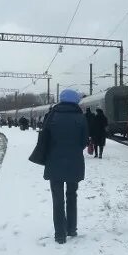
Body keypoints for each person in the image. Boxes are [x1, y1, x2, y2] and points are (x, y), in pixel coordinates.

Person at [43, 89, 88, 244]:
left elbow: (44, 139)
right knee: (72, 195)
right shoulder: (80, 117)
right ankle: (71, 228)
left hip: (54, 162)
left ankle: (60, 235)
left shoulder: (51, 116)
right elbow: (84, 142)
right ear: (75, 101)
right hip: (74, 162)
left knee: (57, 199)